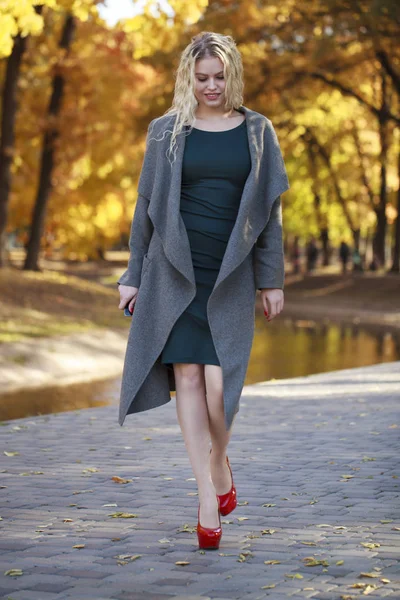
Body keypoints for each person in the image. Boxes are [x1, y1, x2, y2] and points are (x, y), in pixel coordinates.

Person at [117, 31, 290, 550]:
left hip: (230, 273)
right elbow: (145, 208)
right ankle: (207, 498)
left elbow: (270, 213)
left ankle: (219, 463)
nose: (211, 86)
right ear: (187, 78)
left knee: (221, 389)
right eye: (202, 78)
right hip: (175, 271)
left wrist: (272, 277)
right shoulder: (165, 132)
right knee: (187, 377)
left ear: (232, 75)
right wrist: (131, 275)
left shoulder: (258, 131)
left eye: (219, 77)